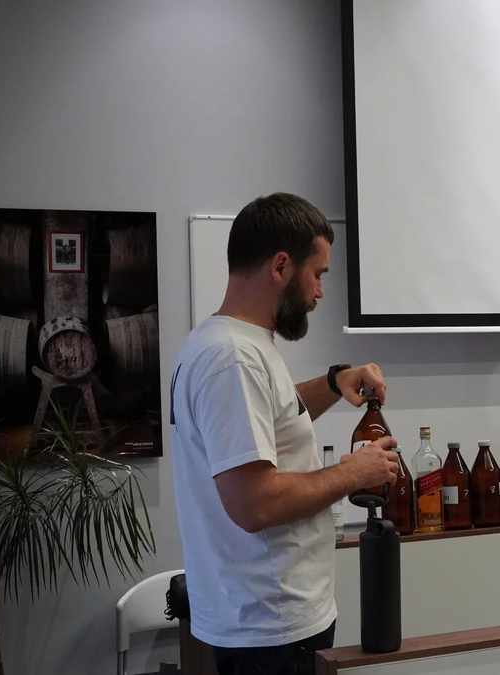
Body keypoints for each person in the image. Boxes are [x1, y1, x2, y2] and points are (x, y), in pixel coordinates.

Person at [170, 193, 400, 675]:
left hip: (265, 619)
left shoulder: (225, 343)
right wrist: (353, 472)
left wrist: (334, 383)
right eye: (317, 274)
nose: (320, 292)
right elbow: (255, 504)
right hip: (271, 630)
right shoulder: (233, 359)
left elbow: (271, 419)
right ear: (280, 266)